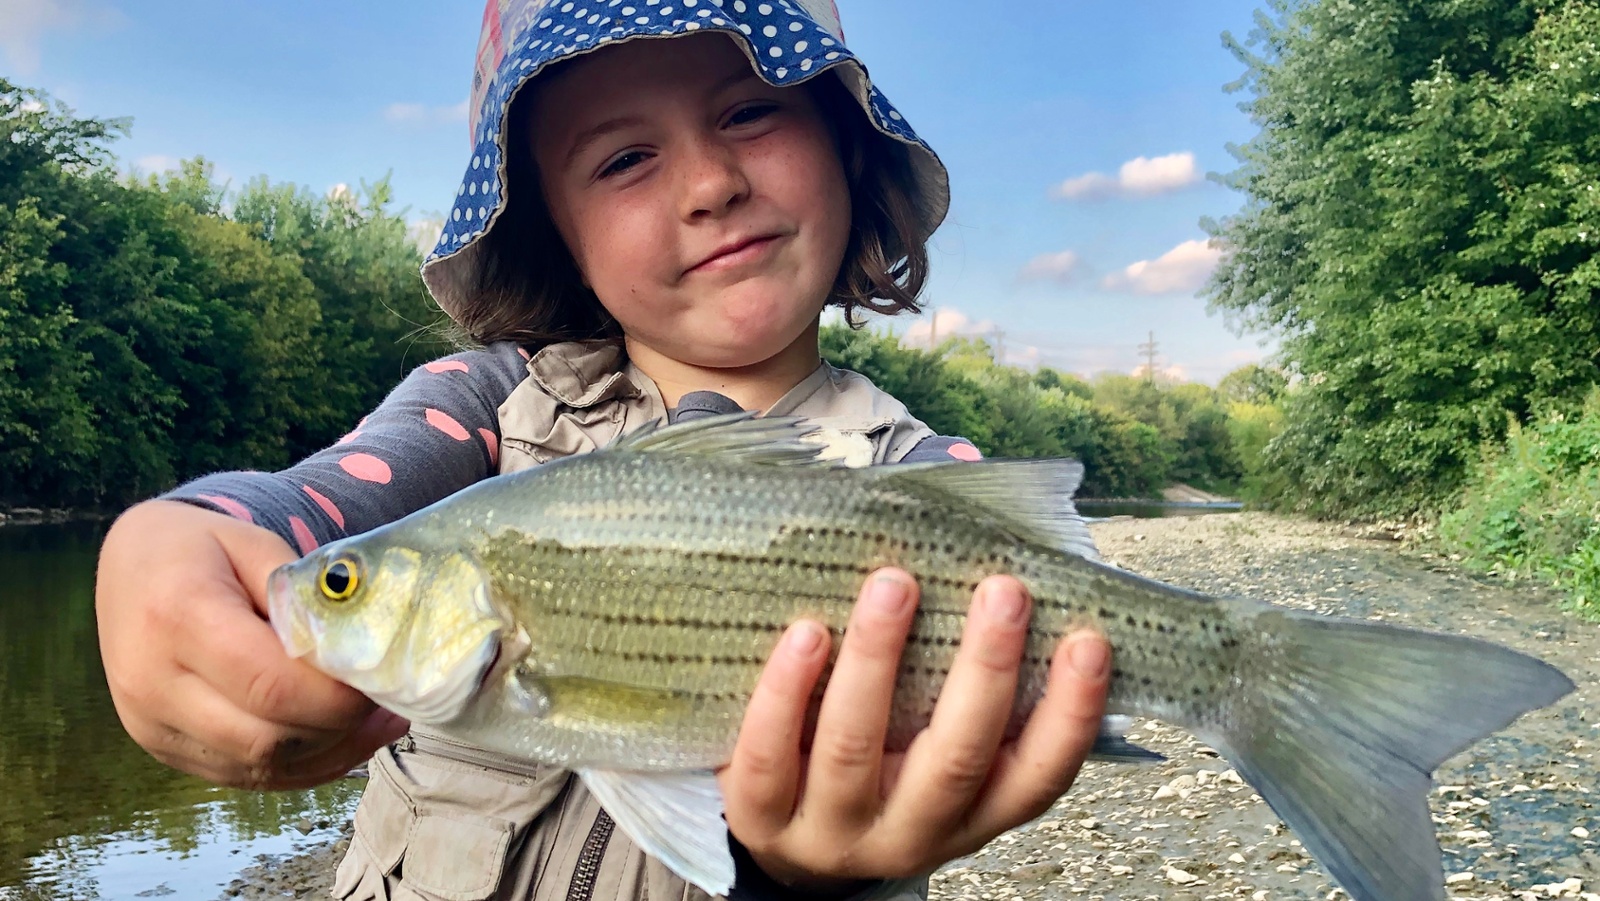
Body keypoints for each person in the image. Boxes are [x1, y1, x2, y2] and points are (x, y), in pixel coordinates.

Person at [95, 2, 1114, 899]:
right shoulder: (483, 405)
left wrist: (816, 875)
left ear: (847, 147)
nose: (710, 182)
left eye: (750, 111)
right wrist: (168, 543)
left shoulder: (935, 483)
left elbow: (1032, 674)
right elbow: (298, 512)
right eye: (624, 160)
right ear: (558, 236)